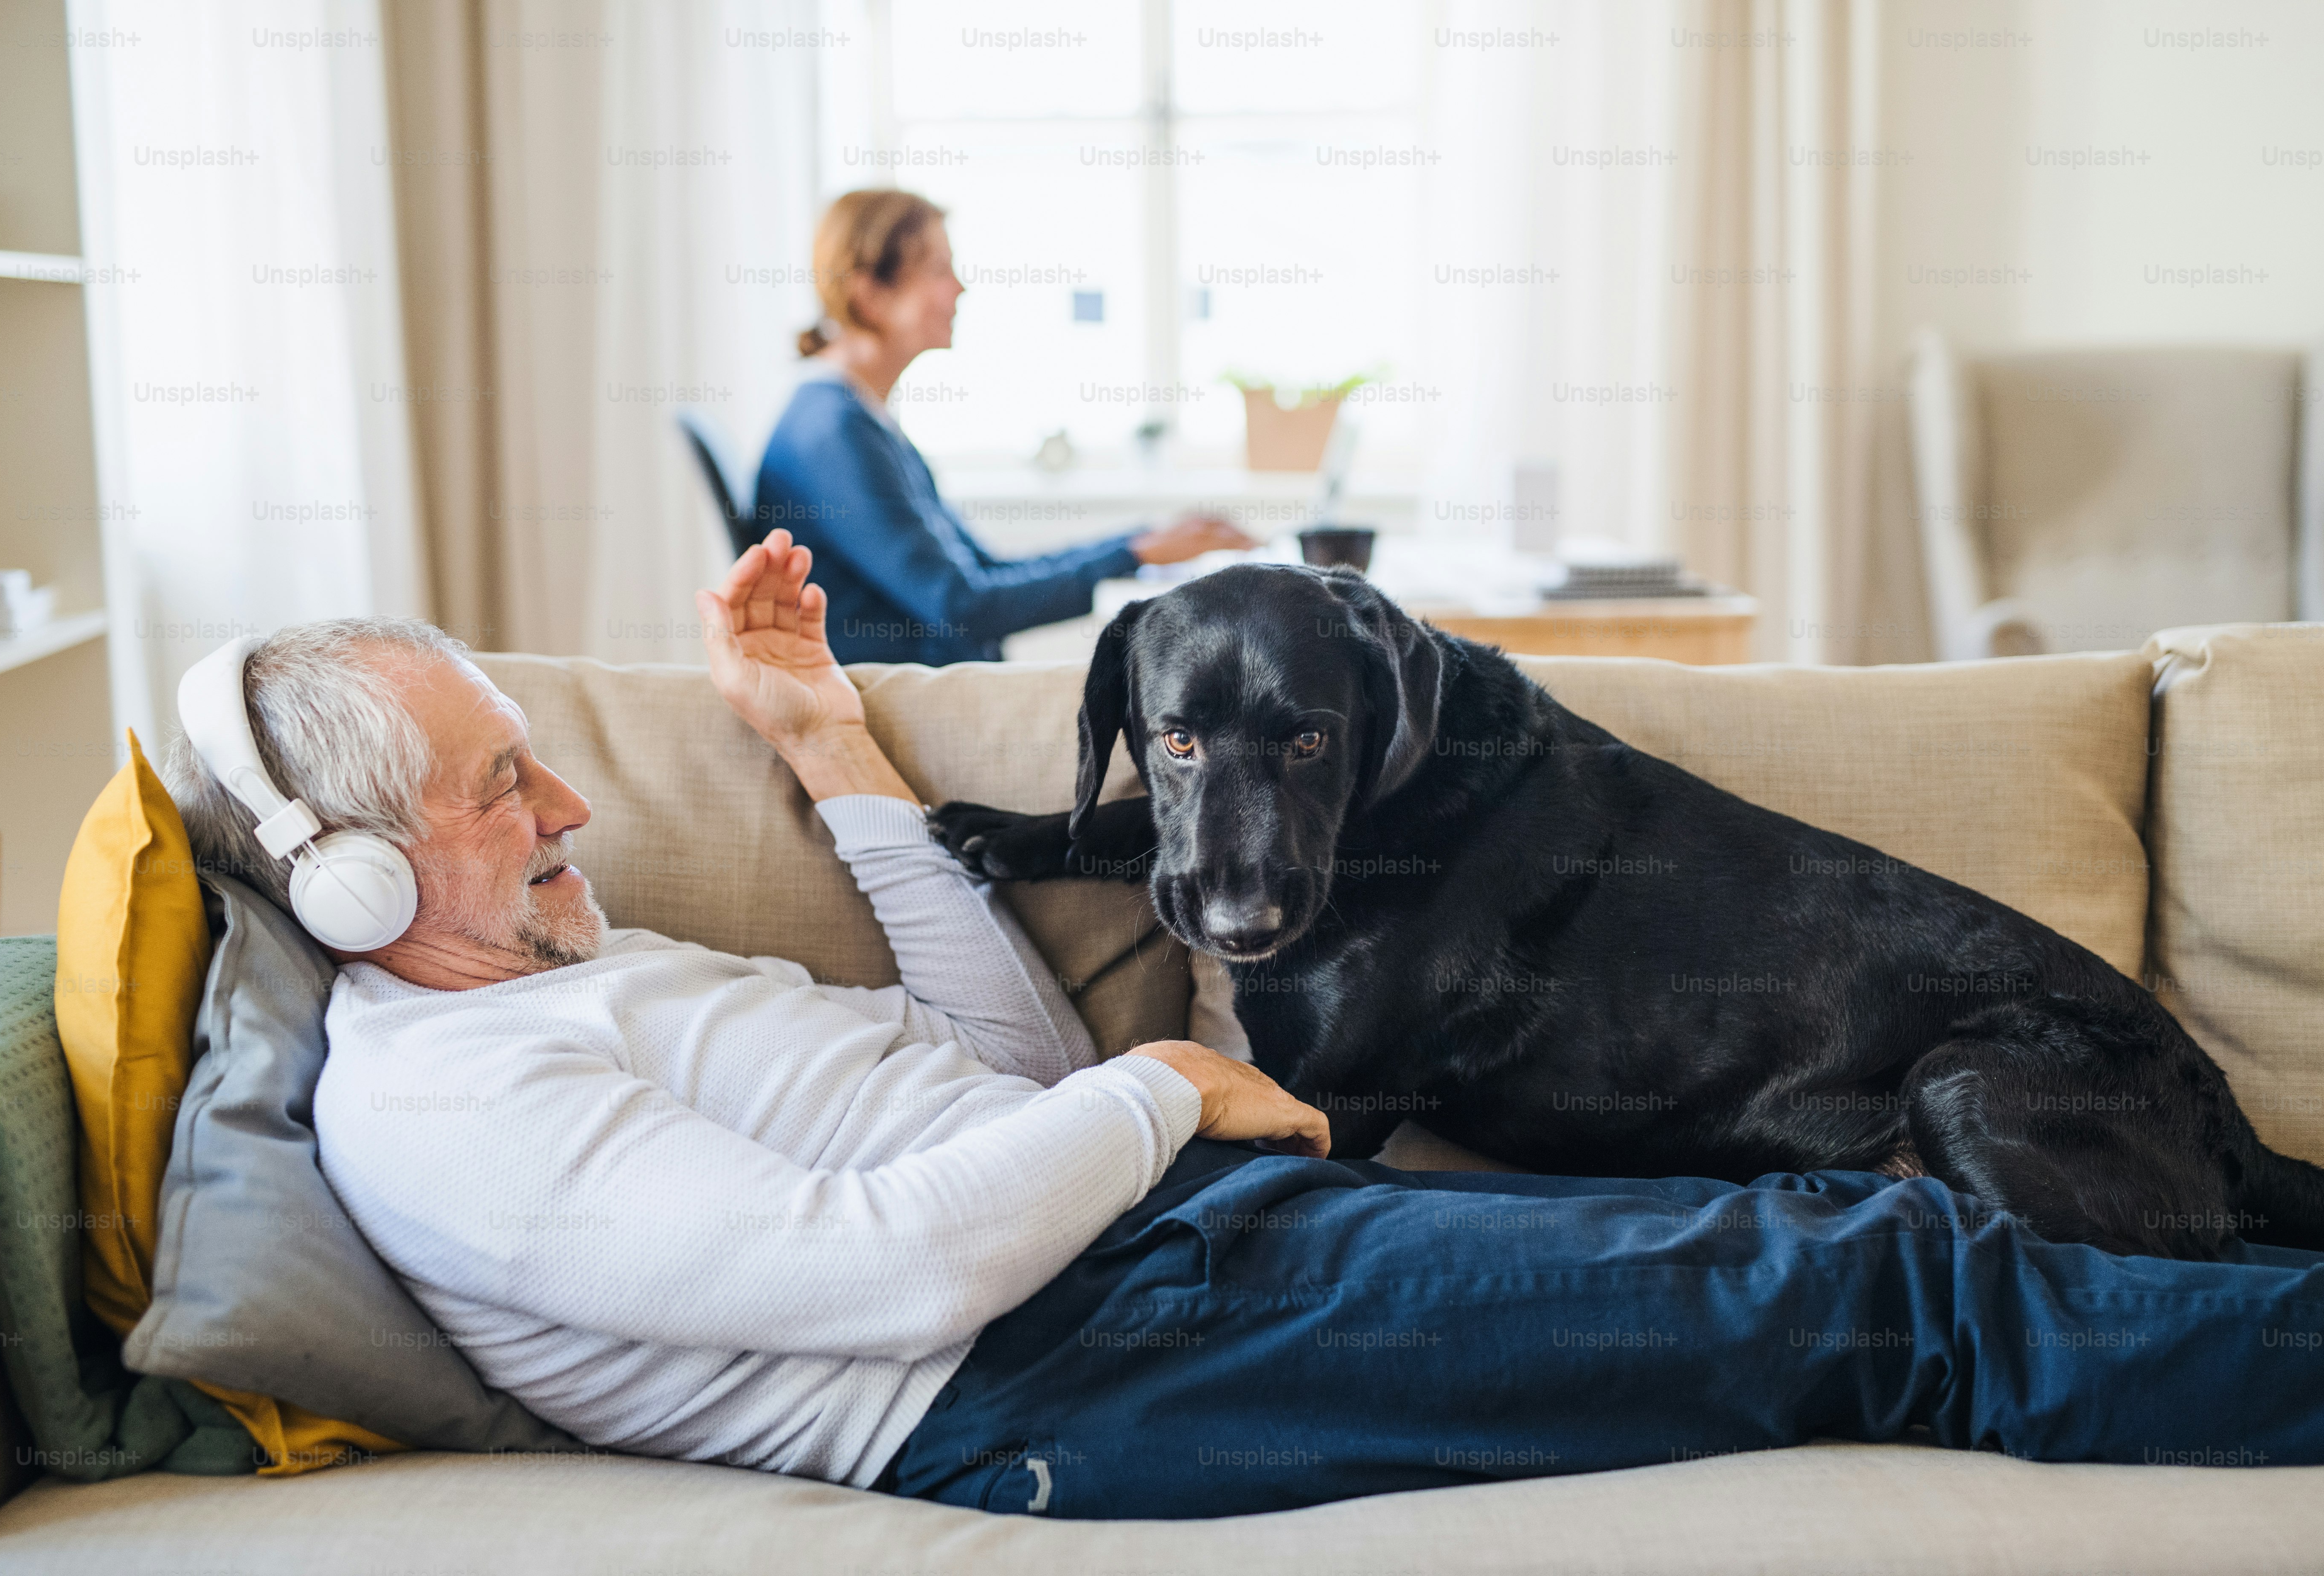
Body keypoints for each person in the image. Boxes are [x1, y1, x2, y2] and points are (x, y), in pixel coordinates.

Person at [166, 530, 2324, 1521]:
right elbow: (890, 1265)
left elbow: (991, 1078)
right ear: (349, 875)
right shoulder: (454, 1115)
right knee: (1879, 1288)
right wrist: (1172, 1077)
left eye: (540, 757)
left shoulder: (581, 967)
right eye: (497, 793)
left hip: (1146, 1240)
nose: (566, 809)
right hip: (1070, 1358)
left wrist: (836, 753)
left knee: (1877, 1260)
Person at [752, 190, 1253, 663]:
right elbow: (961, 606)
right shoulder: (835, 434)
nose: (960, 288)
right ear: (870, 295)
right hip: (899, 699)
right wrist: (1134, 552)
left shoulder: (862, 419)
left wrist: (1140, 546)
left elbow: (980, 574)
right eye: (938, 270)